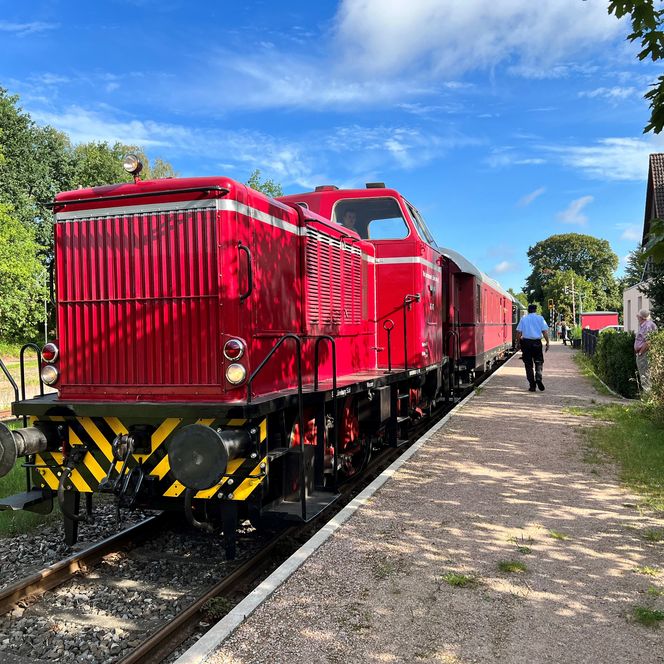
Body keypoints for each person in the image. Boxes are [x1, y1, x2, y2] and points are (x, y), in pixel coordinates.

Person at [516, 304, 550, 392]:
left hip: (526, 343)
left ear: (528, 310)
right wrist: (547, 342)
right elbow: (545, 331)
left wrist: (518, 342)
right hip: (537, 343)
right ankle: (538, 378)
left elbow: (519, 332)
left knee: (528, 365)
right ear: (535, 310)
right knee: (539, 362)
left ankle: (532, 385)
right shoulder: (540, 318)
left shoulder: (524, 319)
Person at [635, 309, 658, 392]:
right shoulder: (645, 325)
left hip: (644, 354)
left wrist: (640, 352)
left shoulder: (647, 326)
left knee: (645, 375)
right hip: (642, 353)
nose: (637, 316)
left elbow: (648, 341)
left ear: (642, 317)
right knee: (644, 374)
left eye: (638, 315)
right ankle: (648, 396)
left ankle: (648, 397)